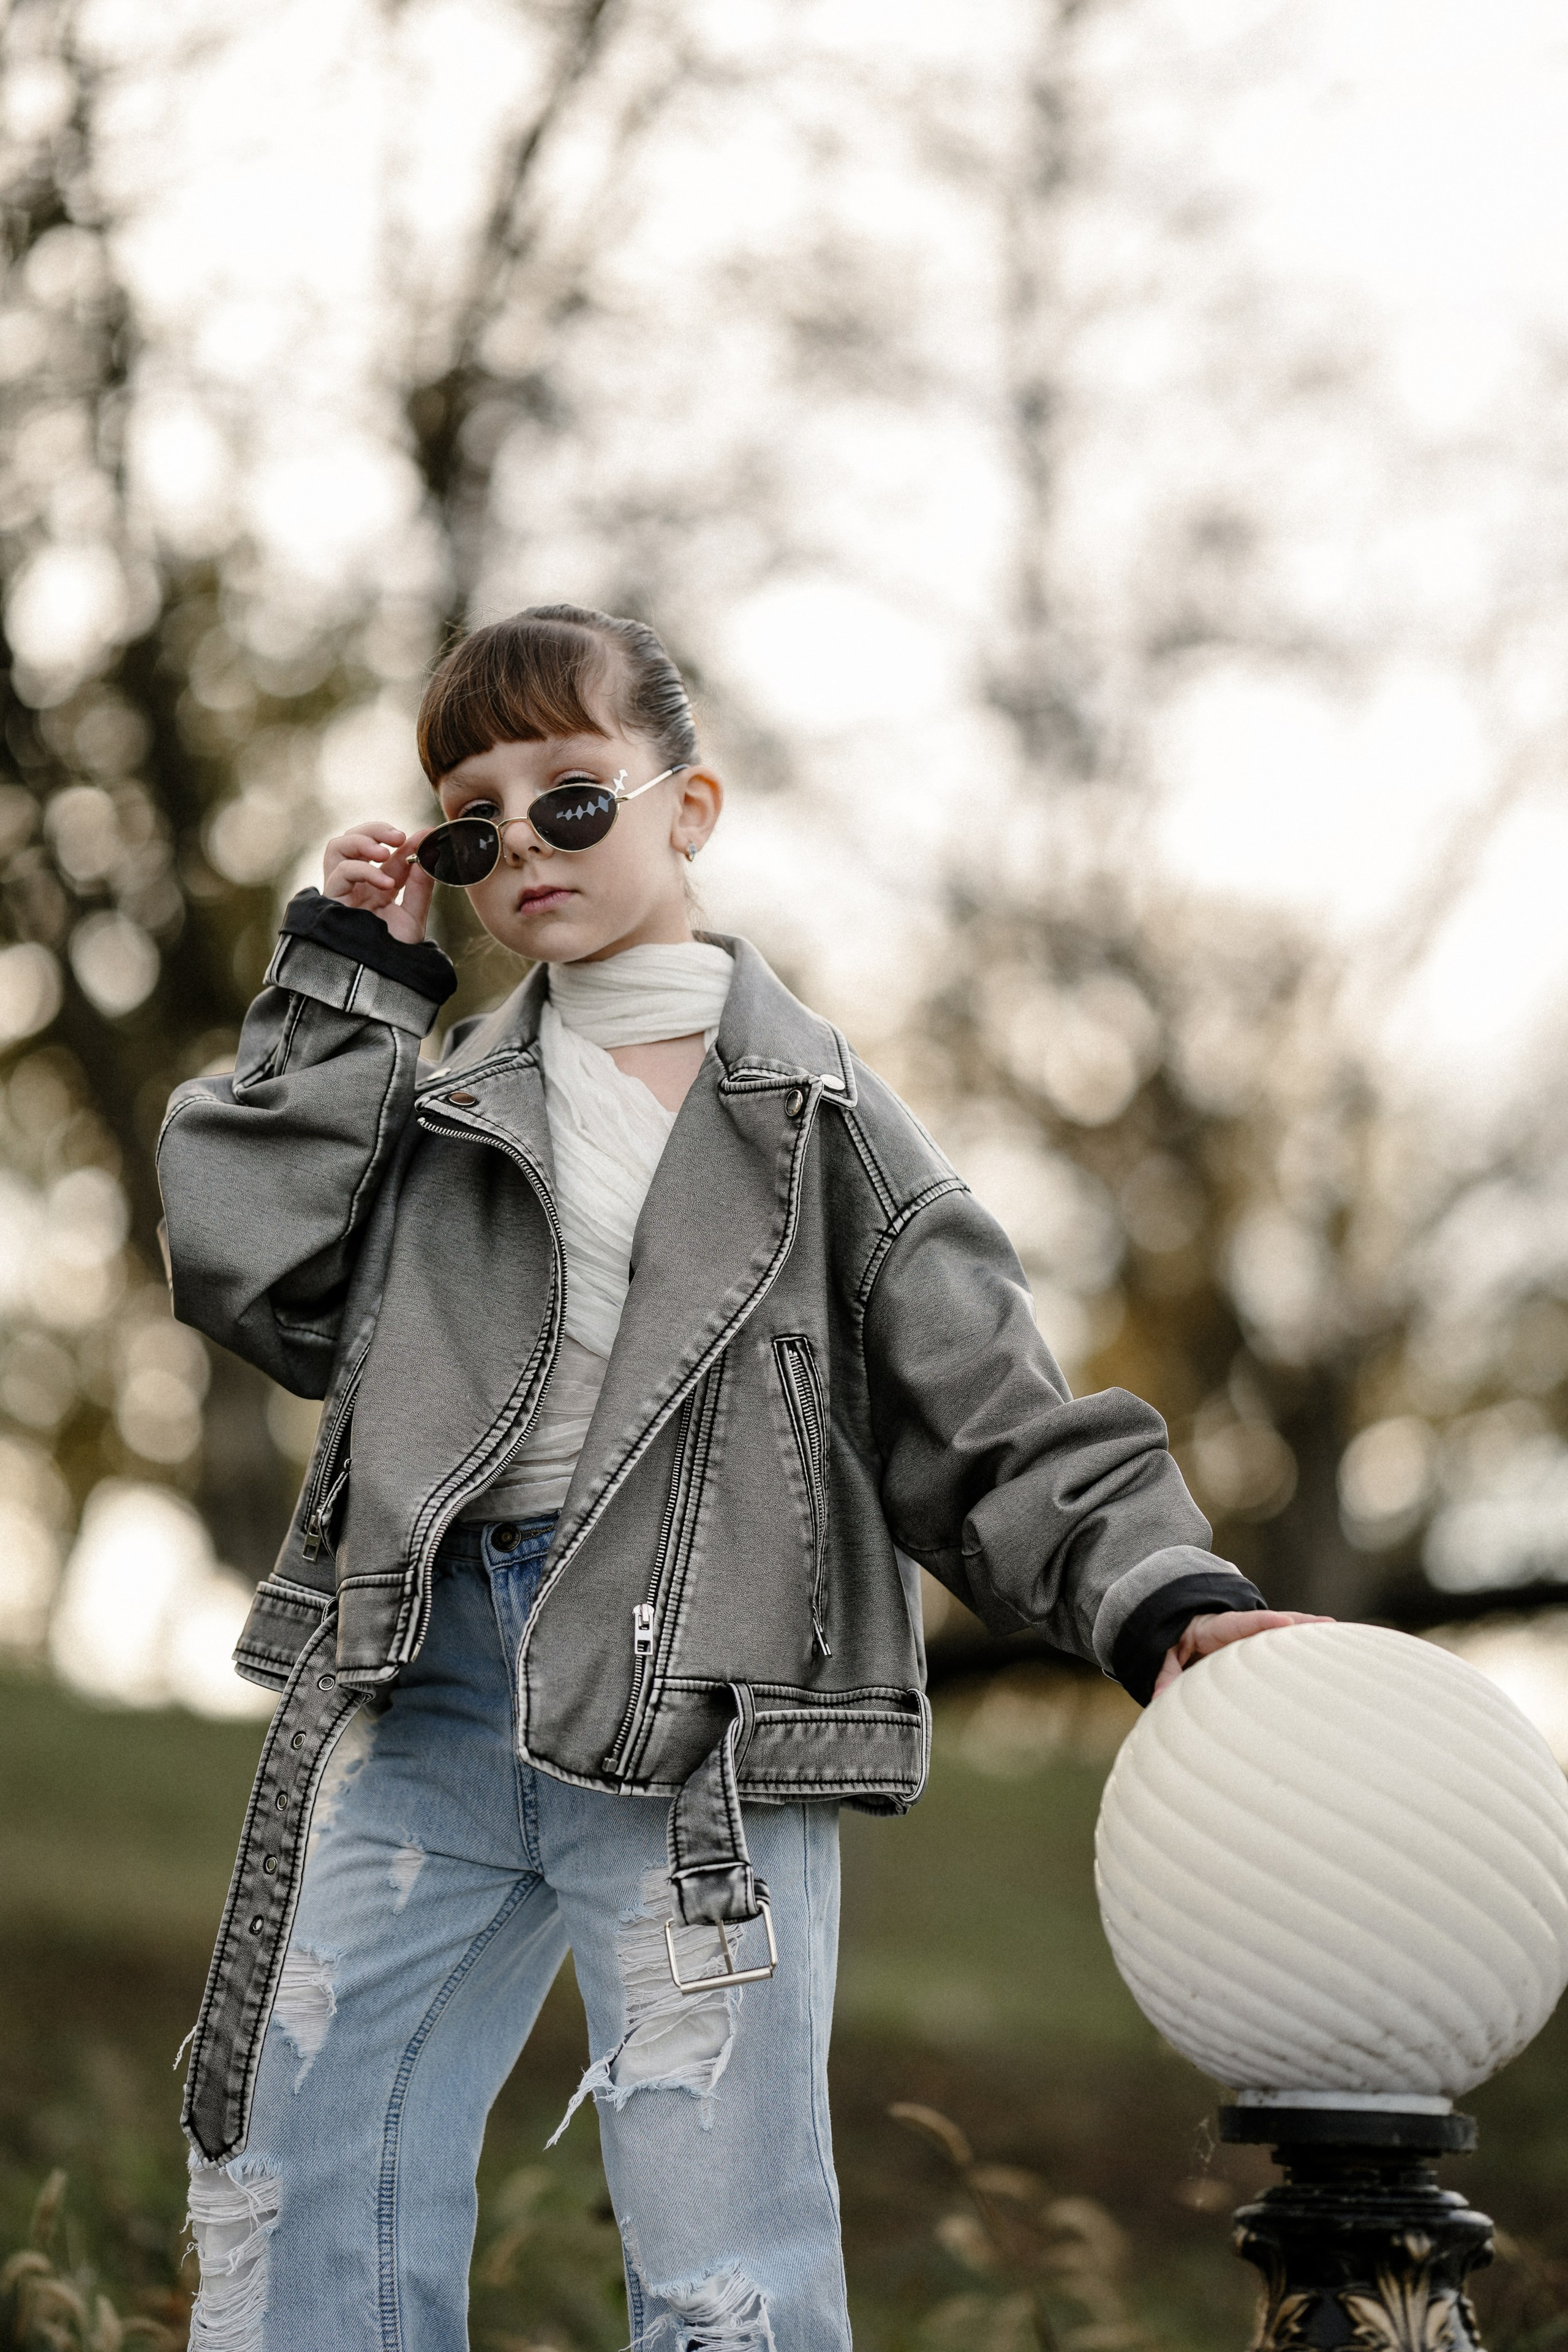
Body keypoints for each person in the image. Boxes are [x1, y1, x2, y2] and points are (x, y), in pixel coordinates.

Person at [158, 604, 1322, 2351]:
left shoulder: (821, 1119)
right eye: (475, 821)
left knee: (725, 2269)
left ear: (689, 808)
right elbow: (251, 1263)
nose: (525, 843)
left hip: (701, 1723)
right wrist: (345, 982)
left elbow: (989, 1413)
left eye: (573, 794)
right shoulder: (446, 1106)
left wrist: (1163, 1599)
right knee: (295, 2164)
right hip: (434, 1700)